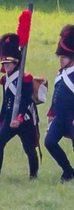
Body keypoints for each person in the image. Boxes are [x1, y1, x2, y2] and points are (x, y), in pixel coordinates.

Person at [0, 13, 42, 181]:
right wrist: (0, 121)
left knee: (29, 148)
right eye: (4, 63)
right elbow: (5, 102)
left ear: (17, 62)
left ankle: (33, 175)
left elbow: (27, 101)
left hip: (24, 119)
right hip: (9, 118)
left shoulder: (25, 78)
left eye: (9, 63)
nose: (5, 66)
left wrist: (19, 118)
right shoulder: (5, 80)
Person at [44, 28, 74, 181]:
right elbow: (56, 95)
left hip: (72, 116)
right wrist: (51, 112)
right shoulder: (61, 73)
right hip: (60, 117)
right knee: (49, 142)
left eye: (64, 56)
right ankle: (68, 170)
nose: (61, 59)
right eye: (60, 56)